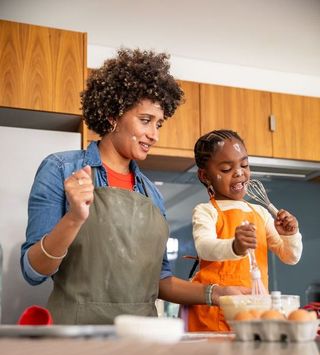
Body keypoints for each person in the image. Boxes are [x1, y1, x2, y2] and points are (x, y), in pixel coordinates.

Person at [20, 49, 249, 325]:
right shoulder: (61, 169)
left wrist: (218, 293)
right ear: (112, 115)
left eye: (159, 123)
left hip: (141, 342)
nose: (154, 135)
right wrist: (74, 218)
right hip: (76, 343)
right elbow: (33, 270)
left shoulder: (151, 194)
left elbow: (161, 281)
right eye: (145, 120)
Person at [187, 129, 302, 332]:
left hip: (254, 312)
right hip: (213, 314)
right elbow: (205, 247)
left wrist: (290, 235)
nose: (239, 172)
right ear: (205, 175)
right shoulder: (206, 211)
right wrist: (235, 246)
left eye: (245, 165)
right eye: (226, 169)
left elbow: (290, 257)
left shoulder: (259, 213)